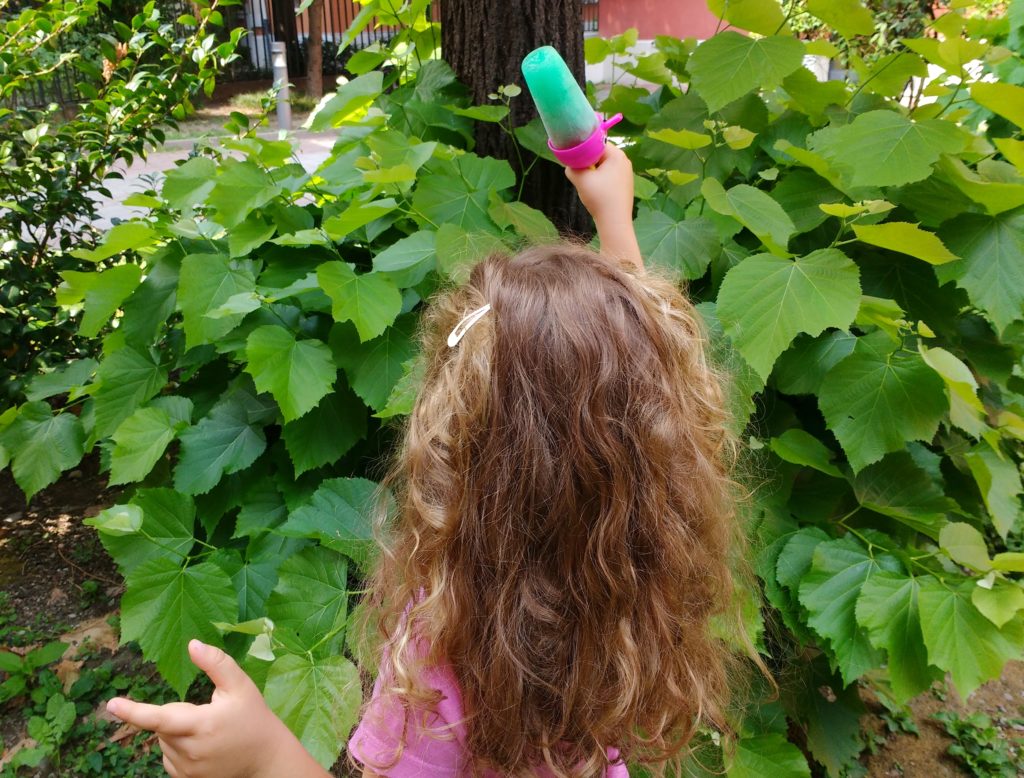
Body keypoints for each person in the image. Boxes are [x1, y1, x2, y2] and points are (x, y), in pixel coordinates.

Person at [105, 143, 760, 777]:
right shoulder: (631, 580)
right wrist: (613, 219)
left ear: (455, 447)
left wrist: (261, 756)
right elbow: (630, 389)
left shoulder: (447, 650)